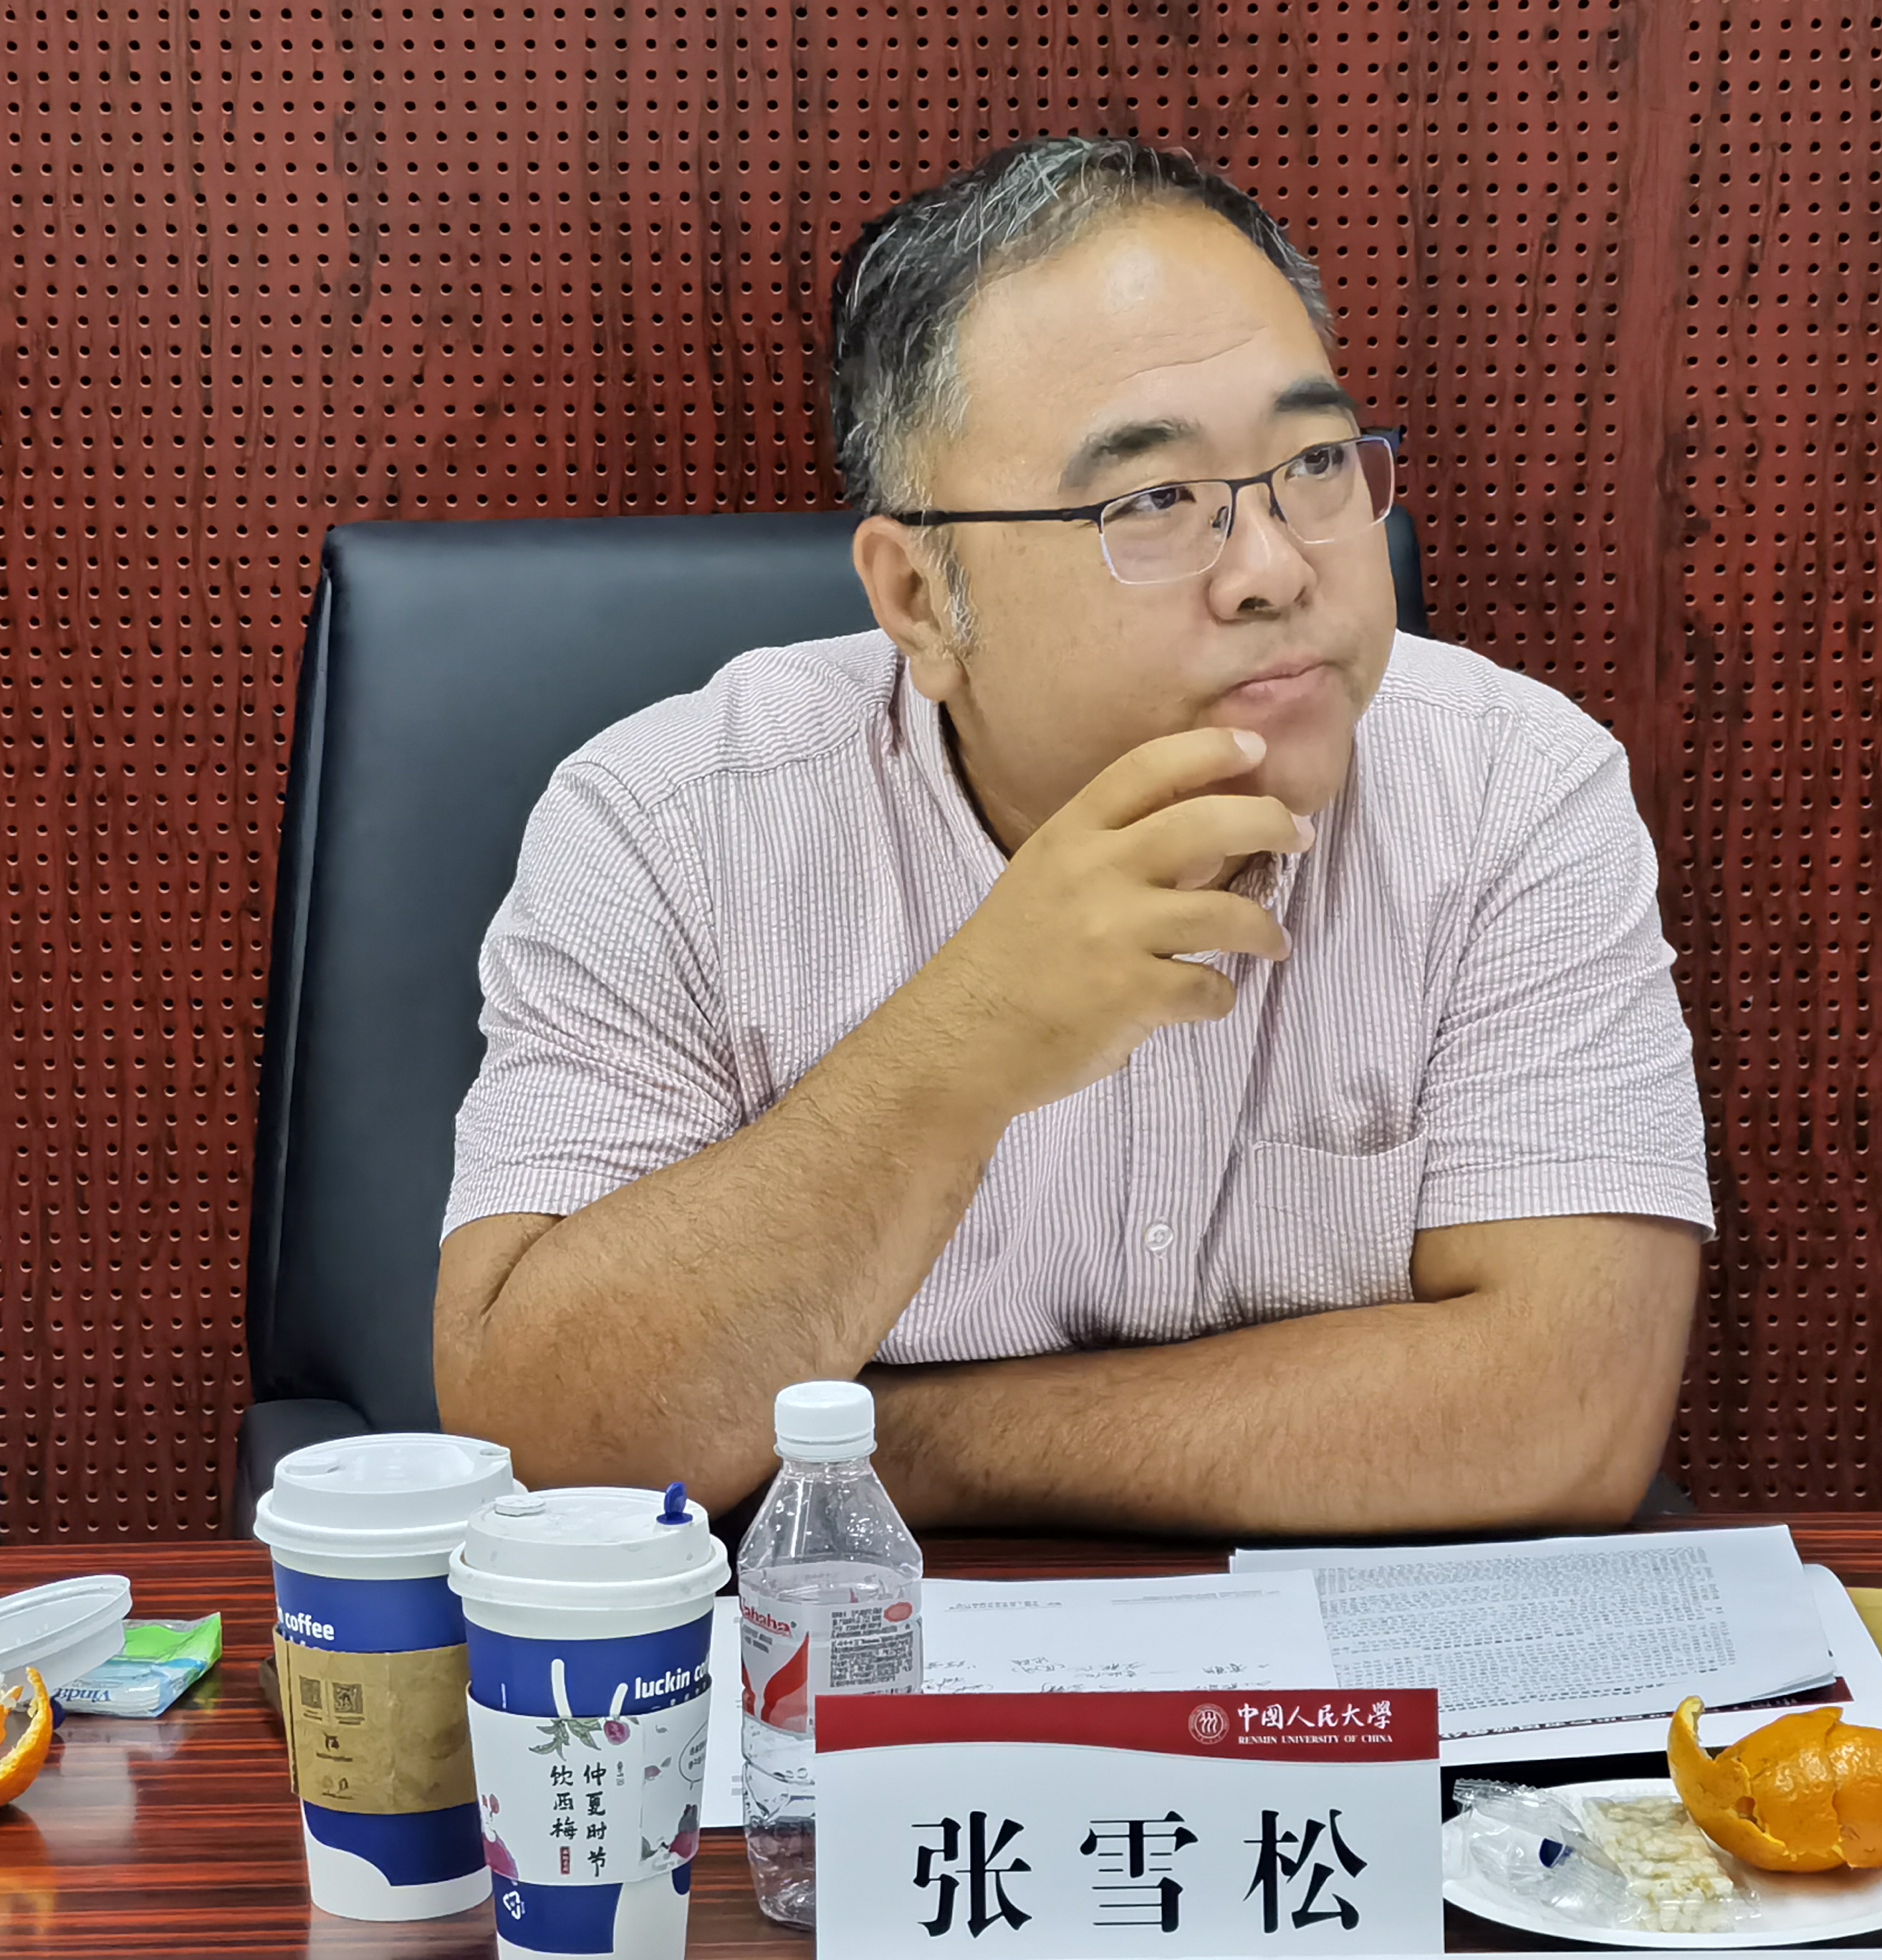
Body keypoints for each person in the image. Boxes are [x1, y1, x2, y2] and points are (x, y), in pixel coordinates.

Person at [432, 136, 1712, 1537]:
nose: (1277, 567)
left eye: (1313, 463)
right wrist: (967, 1038)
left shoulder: (1512, 789)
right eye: (1152, 501)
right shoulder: (671, 827)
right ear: (921, 599)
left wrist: (886, 1445)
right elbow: (546, 1442)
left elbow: (1568, 1410)